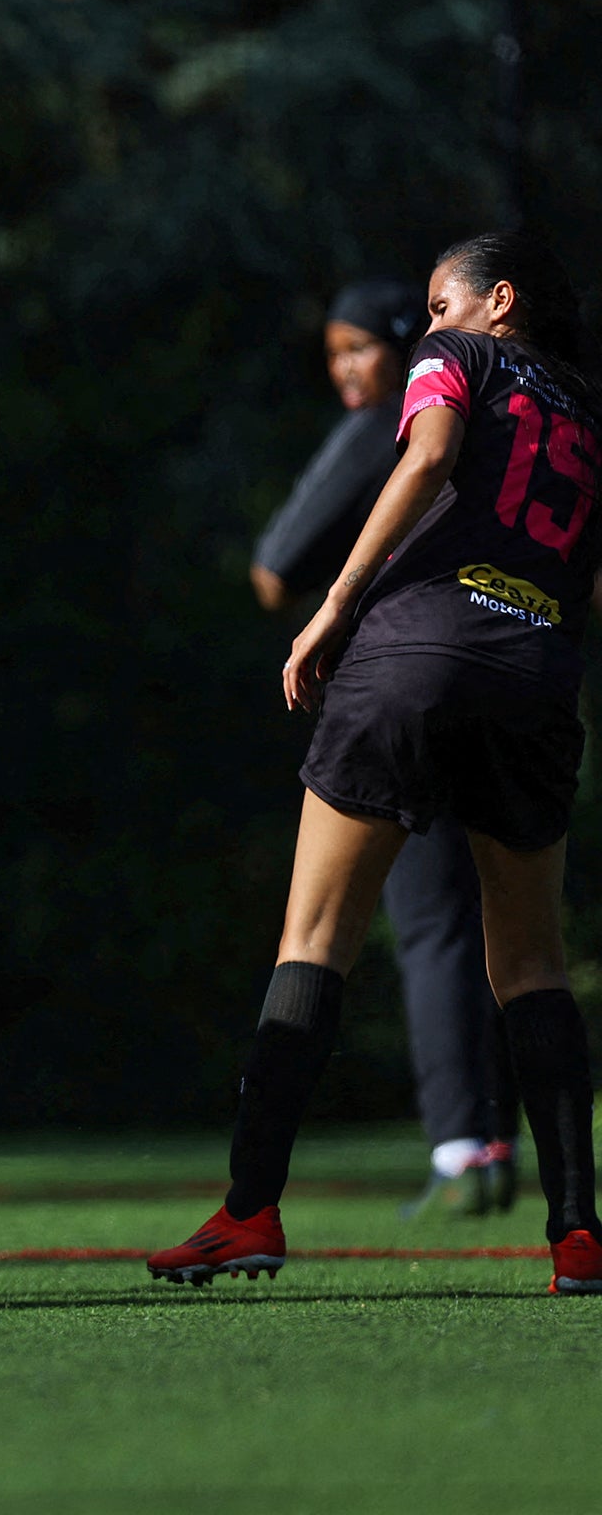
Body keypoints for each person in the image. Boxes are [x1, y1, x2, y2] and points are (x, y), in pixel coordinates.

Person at [148, 231, 602, 1295]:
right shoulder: (585, 412)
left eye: (440, 306)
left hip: (410, 658)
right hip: (535, 676)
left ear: (496, 304)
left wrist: (333, 606)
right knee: (530, 964)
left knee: (313, 941)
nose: (425, 325)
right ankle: (577, 1233)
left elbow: (429, 455)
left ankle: (247, 1214)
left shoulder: (458, 359)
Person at [250, 279, 517, 1218]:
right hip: (509, 675)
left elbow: (274, 567)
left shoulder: (392, 428)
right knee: (504, 931)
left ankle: (459, 1145)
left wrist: (340, 601)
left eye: (359, 348)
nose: (344, 371)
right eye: (332, 353)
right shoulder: (524, 410)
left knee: (400, 927)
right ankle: (499, 1139)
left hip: (397, 690)